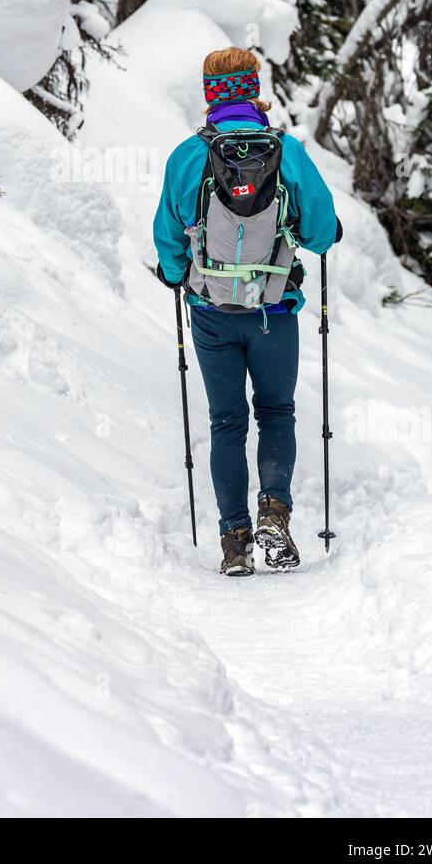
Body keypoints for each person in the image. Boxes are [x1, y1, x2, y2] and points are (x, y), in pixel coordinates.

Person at [153, 47, 340, 575]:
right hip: (273, 308)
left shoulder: (188, 157)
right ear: (253, 90)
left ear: (210, 94)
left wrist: (175, 275)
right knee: (276, 412)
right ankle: (274, 516)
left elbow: (168, 239)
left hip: (211, 311)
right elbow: (322, 233)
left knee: (226, 421)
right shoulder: (287, 151)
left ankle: (234, 541)